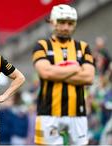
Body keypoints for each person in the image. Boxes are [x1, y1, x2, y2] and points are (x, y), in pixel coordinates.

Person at [32, 4, 95, 145]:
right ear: (53, 21)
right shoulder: (41, 45)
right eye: (61, 22)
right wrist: (76, 68)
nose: (66, 27)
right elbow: (45, 73)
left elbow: (89, 77)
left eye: (70, 23)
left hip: (77, 113)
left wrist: (56, 72)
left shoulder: (83, 47)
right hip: (48, 112)